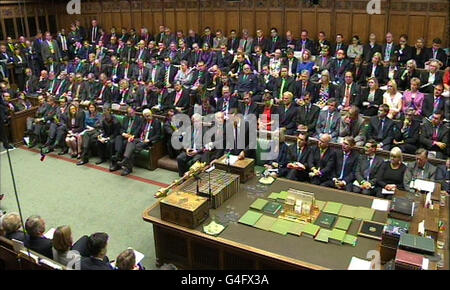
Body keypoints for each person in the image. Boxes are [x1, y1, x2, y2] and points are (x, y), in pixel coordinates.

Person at [119, 109, 161, 176]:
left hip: (147, 141)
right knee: (130, 141)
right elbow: (138, 130)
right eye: (146, 116)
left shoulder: (156, 122)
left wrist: (149, 140)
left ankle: (127, 166)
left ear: (151, 114)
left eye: (149, 116)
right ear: (144, 116)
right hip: (140, 139)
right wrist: (133, 136)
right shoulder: (143, 121)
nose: (148, 118)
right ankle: (126, 159)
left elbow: (158, 135)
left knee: (132, 149)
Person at [111, 106, 143, 171]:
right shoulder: (126, 118)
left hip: (133, 137)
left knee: (125, 143)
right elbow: (122, 128)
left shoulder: (139, 119)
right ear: (127, 114)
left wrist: (132, 136)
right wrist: (123, 133)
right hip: (125, 135)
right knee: (118, 138)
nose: (131, 114)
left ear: (134, 111)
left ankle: (118, 159)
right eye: (130, 113)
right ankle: (118, 155)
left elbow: (138, 130)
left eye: (132, 112)